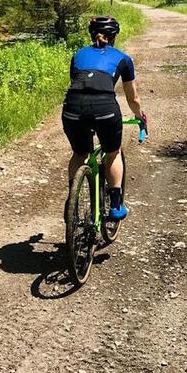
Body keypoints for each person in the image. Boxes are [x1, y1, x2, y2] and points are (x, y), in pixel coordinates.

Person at [61, 15, 147, 221]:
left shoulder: (78, 55)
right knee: (113, 153)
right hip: (105, 109)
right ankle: (115, 205)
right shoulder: (123, 59)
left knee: (79, 153)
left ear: (92, 34)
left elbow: (79, 84)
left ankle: (71, 201)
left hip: (72, 109)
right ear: (115, 35)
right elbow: (133, 98)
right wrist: (140, 117)